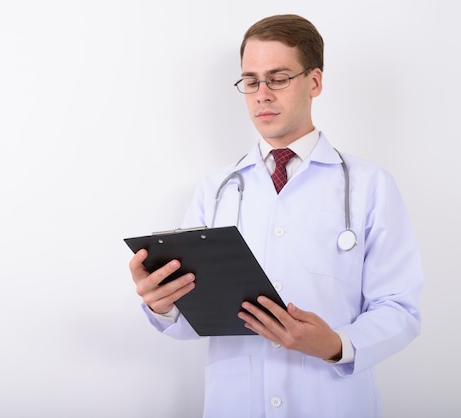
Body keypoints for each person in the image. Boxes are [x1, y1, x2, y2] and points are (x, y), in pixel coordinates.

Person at [128, 14, 423, 418]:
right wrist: (163, 304)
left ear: (315, 81)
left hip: (332, 404)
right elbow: (192, 318)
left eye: (278, 78)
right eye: (251, 81)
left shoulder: (371, 185)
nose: (261, 94)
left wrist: (336, 344)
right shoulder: (215, 191)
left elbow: (400, 310)